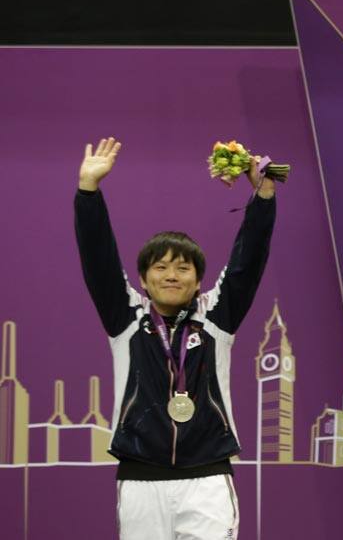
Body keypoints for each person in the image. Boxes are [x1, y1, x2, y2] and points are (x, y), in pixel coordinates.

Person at [74, 137, 277, 539]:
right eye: (161, 267)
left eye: (182, 268)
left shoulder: (216, 316)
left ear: (198, 280)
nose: (171, 275)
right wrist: (88, 192)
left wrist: (264, 195)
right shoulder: (126, 318)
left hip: (207, 480)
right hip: (140, 480)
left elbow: (246, 263)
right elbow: (98, 258)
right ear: (144, 280)